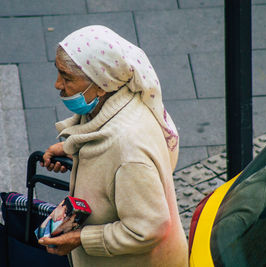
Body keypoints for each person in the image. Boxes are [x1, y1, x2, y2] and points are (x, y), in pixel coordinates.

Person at [38, 25, 188, 267]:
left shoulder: (129, 151)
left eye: (67, 77)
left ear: (101, 83)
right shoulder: (124, 100)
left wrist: (80, 239)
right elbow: (102, 142)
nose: (58, 84)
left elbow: (149, 228)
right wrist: (72, 149)